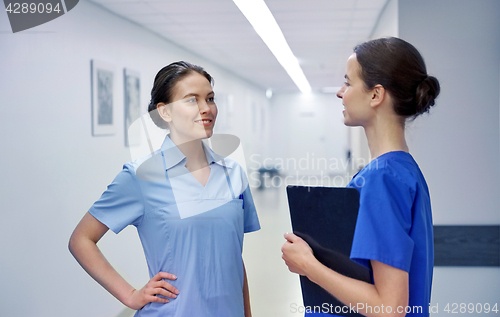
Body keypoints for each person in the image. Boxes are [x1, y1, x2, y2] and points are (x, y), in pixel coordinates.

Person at [69, 61, 260, 317]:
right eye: (192, 100)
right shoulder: (141, 177)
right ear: (165, 112)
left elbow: (233, 258)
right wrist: (131, 295)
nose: (206, 109)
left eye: (210, 98)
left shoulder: (233, 173)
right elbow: (81, 240)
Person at [281, 37, 440, 317]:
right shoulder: (402, 170)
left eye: (348, 82)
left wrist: (309, 266)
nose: (341, 92)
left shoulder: (383, 179)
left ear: (376, 95)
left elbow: (389, 308)